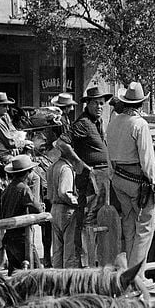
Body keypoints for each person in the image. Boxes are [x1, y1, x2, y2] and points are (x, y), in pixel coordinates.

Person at [106, 82, 155, 267]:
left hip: (118, 178)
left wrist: (112, 175)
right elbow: (147, 159)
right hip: (137, 181)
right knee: (145, 227)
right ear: (141, 103)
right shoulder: (140, 124)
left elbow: (108, 155)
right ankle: (137, 275)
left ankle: (128, 271)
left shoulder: (113, 122)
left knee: (129, 225)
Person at [56, 88, 110, 266]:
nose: (100, 106)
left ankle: (95, 259)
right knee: (89, 218)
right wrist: (79, 164)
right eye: (96, 103)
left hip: (101, 176)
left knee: (98, 217)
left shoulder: (97, 122)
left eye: (102, 103)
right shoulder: (83, 123)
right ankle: (87, 262)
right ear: (88, 104)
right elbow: (61, 142)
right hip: (90, 179)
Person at [0, 154, 44, 273]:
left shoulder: (8, 188)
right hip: (21, 238)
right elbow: (37, 208)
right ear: (27, 173)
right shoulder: (23, 189)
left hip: (9, 237)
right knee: (35, 271)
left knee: (14, 272)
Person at [46, 148, 80, 268]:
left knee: (57, 250)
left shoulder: (52, 167)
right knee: (69, 250)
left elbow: (49, 193)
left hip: (54, 209)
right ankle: (67, 281)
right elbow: (64, 192)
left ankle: (57, 279)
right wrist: (76, 202)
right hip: (66, 210)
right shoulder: (66, 168)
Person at [0, 92, 28, 171]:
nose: (7, 108)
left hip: (3, 152)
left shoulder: (3, 117)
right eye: (4, 106)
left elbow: (12, 132)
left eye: (7, 106)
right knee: (25, 168)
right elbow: (9, 143)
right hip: (0, 156)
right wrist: (25, 143)